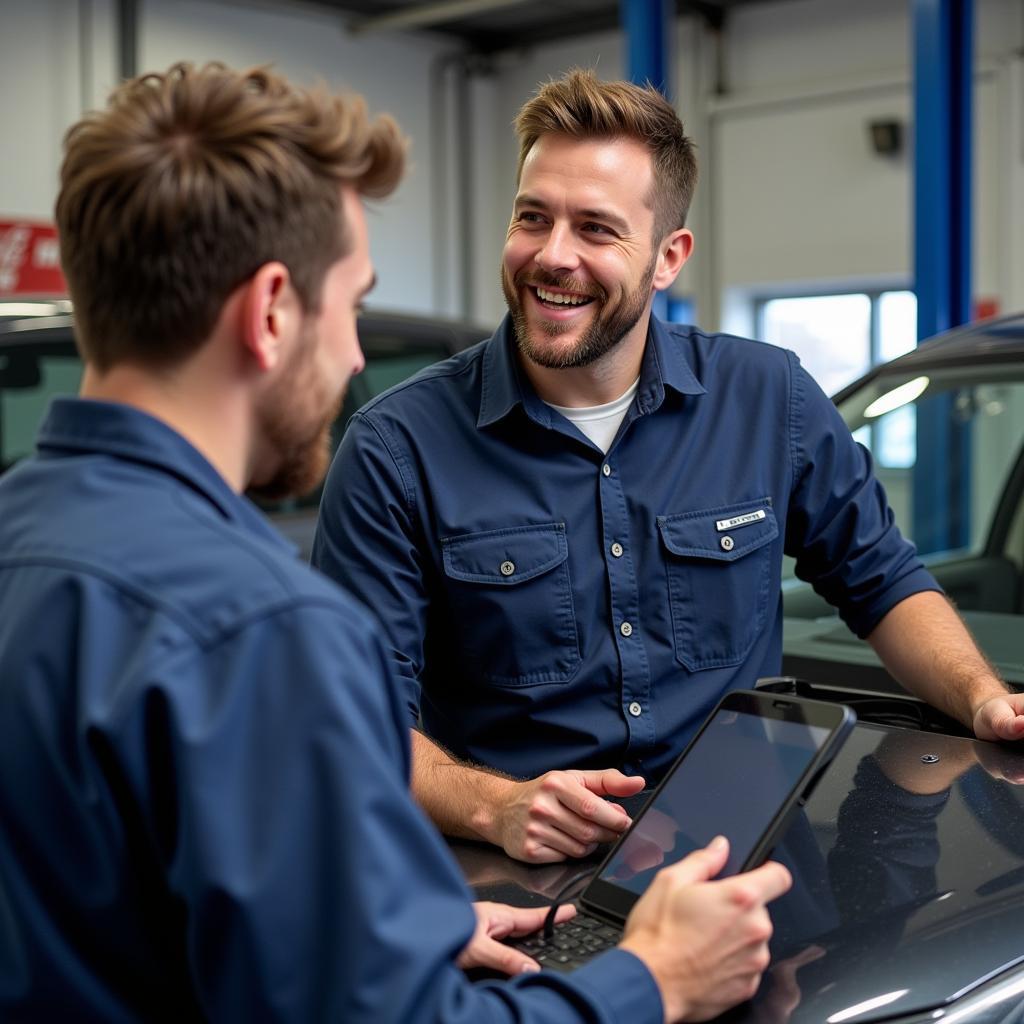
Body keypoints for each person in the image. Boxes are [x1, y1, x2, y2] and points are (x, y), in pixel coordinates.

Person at [0, 61, 793, 1023]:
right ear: (271, 313)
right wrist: (651, 981)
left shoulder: (24, 539)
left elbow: (125, 908)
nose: (354, 356)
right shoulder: (261, 633)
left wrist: (389, 928)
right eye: (353, 306)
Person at [311, 69, 1024, 865]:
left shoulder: (769, 398)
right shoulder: (395, 449)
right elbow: (357, 729)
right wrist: (498, 806)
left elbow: (882, 581)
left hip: (745, 864)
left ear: (667, 256)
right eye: (532, 218)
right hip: (523, 888)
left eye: (595, 229)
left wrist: (984, 698)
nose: (552, 256)